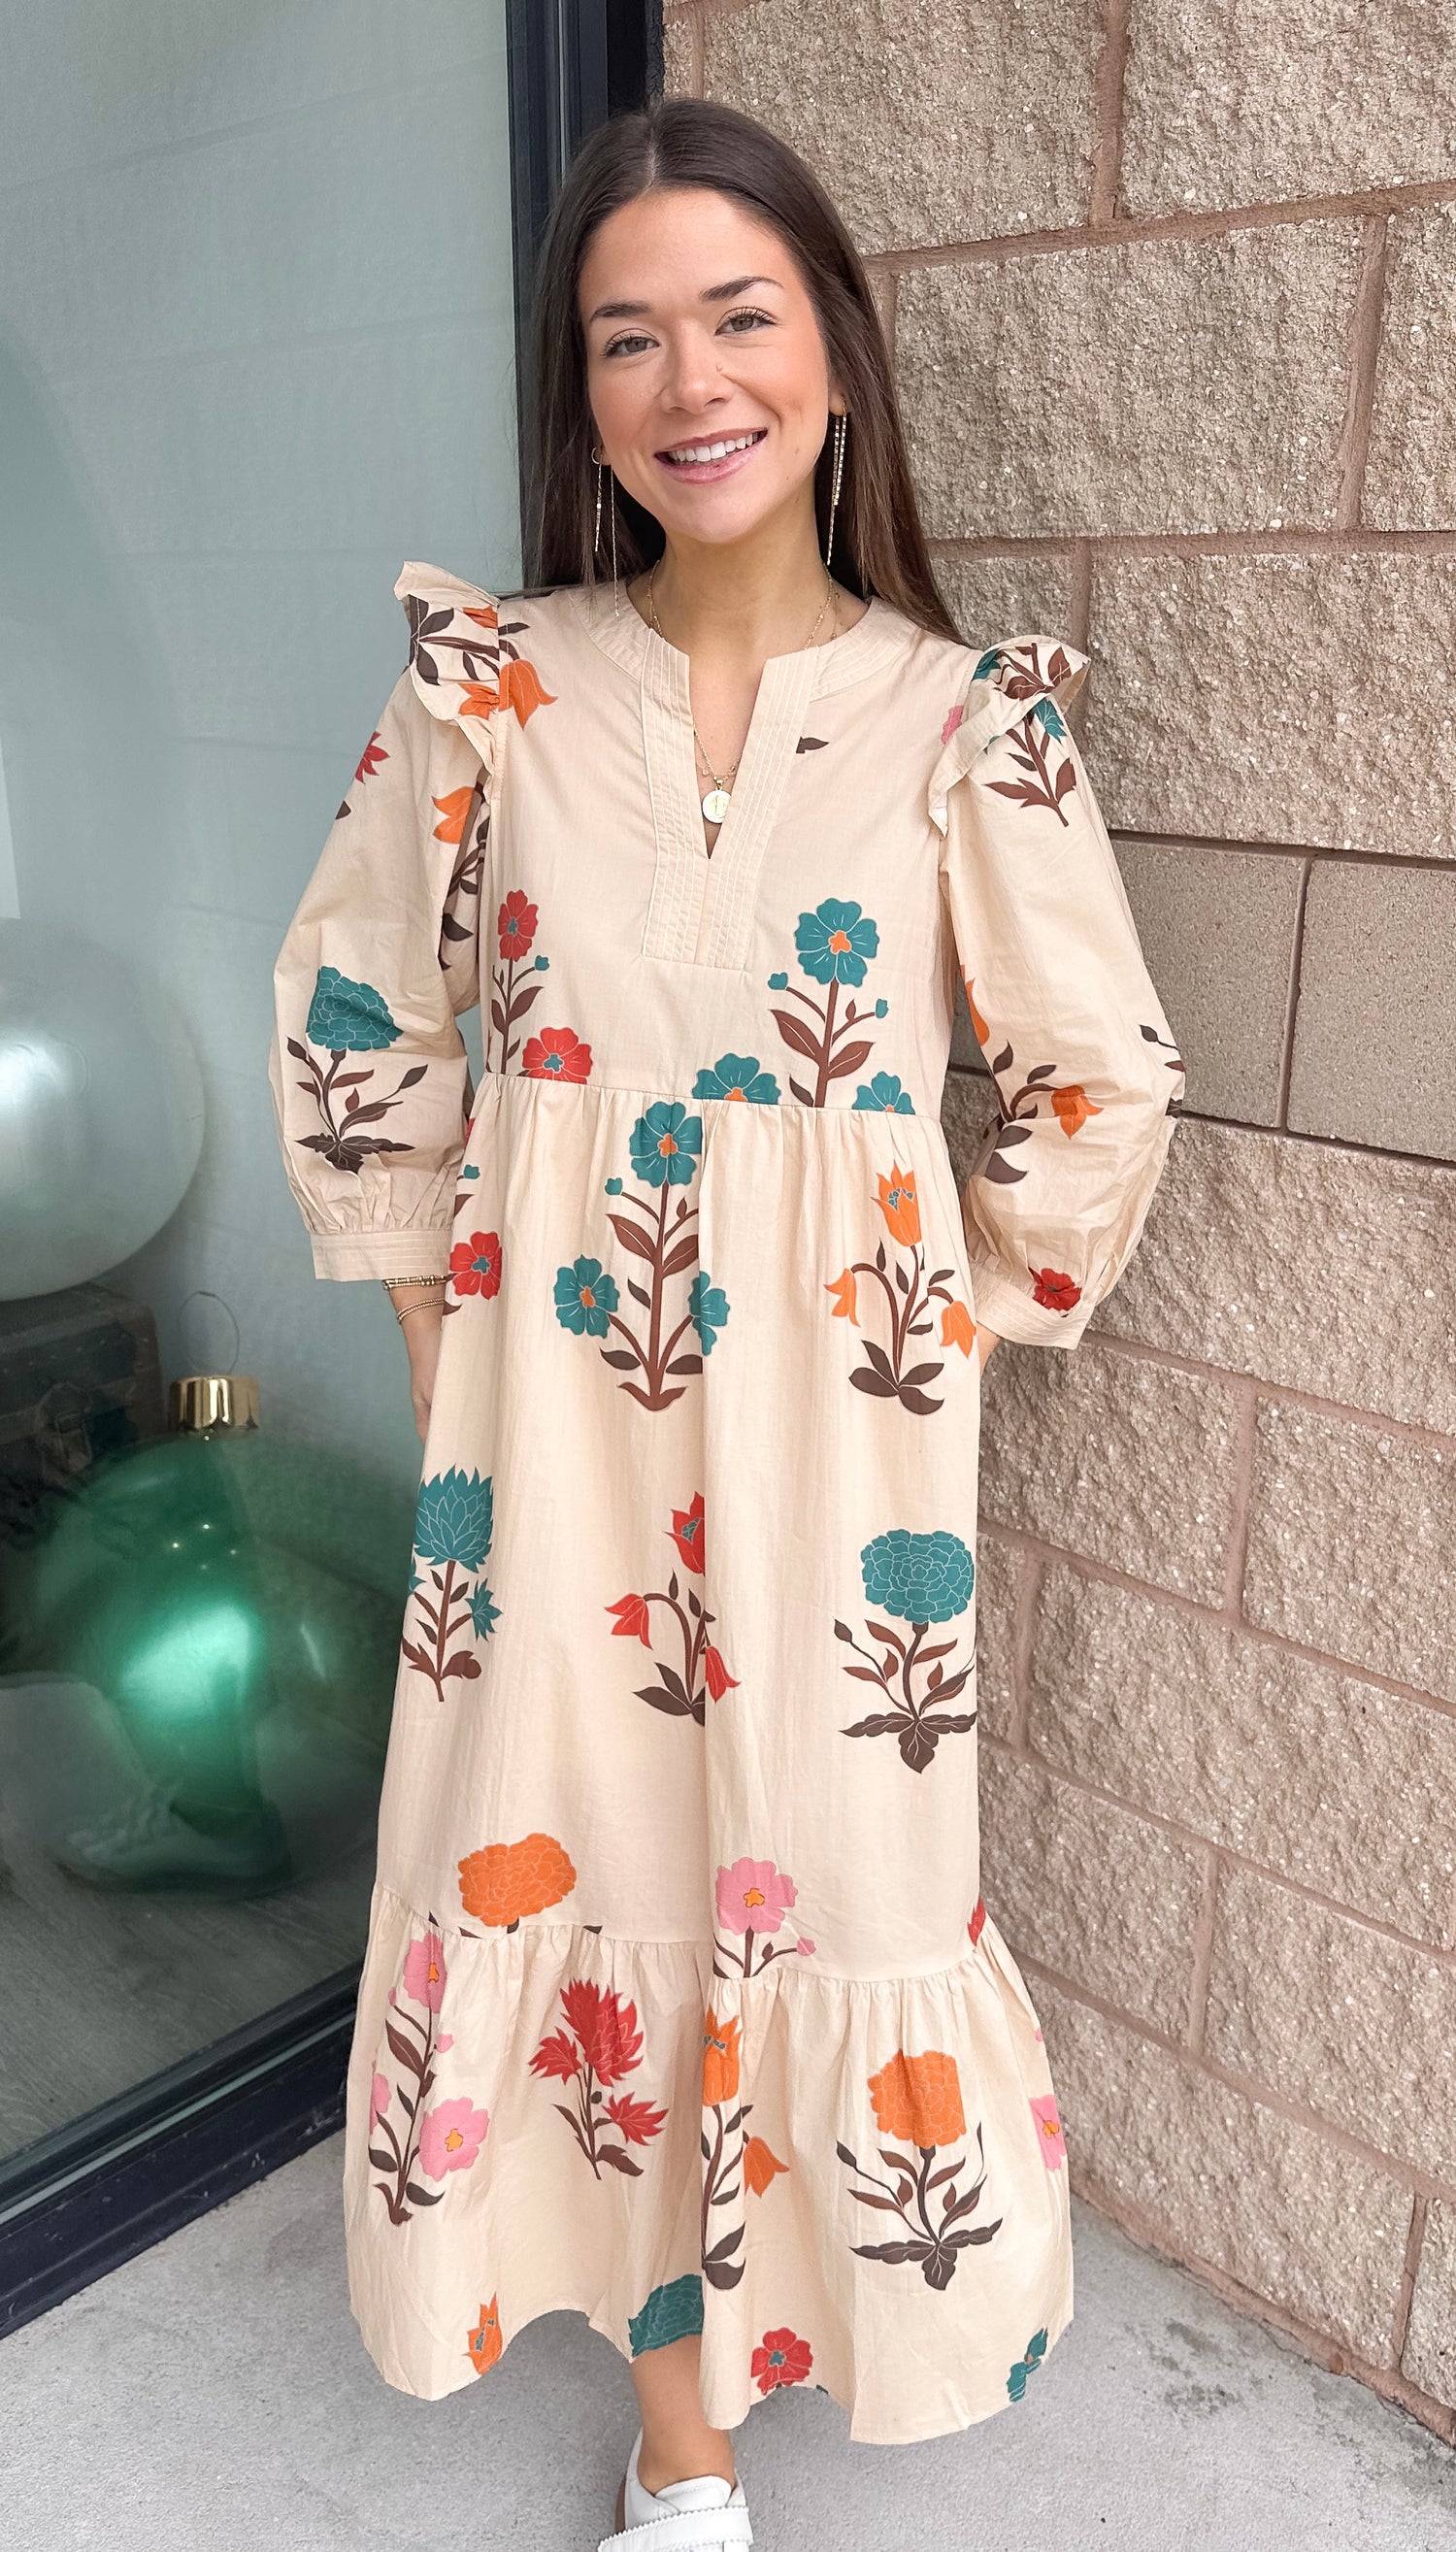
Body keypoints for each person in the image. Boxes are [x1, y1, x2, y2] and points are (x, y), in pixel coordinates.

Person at [269, 94, 1183, 2552]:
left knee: (814, 1882)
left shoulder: (965, 721)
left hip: (837, 1467)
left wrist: (939, 1315)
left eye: (739, 316)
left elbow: (1098, 1072)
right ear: (582, 397)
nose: (692, 381)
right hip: (535, 1449)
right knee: (562, 1870)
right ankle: (680, 2451)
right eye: (627, 336)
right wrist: (438, 1349)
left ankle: (765, 2362)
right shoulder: (489, 695)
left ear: (836, 355)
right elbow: (360, 1014)